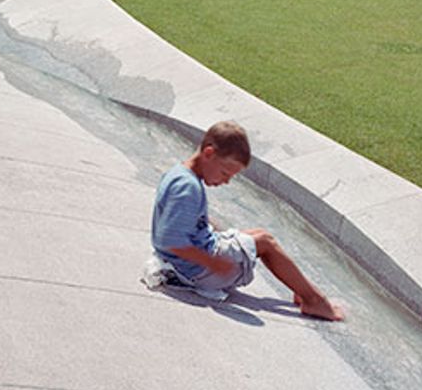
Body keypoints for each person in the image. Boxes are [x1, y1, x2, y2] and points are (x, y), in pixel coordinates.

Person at [146, 121, 344, 320]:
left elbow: (180, 223)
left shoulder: (179, 174)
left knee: (256, 234)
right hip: (196, 271)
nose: (226, 181)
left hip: (185, 263)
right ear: (208, 153)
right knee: (266, 242)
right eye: (225, 173)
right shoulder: (188, 188)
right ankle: (314, 301)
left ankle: (301, 288)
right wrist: (214, 263)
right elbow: (170, 240)